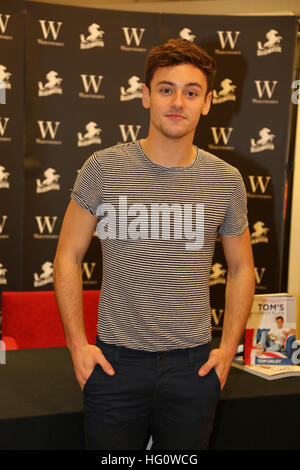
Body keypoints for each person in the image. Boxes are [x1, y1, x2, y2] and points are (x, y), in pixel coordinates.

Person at [53, 38, 255, 450]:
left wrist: (227, 352)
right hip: (115, 365)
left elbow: (242, 268)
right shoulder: (103, 167)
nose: (178, 101)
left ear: (208, 102)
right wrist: (77, 346)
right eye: (166, 89)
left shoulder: (226, 180)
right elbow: (67, 256)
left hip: (193, 368)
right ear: (146, 95)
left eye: (191, 92)